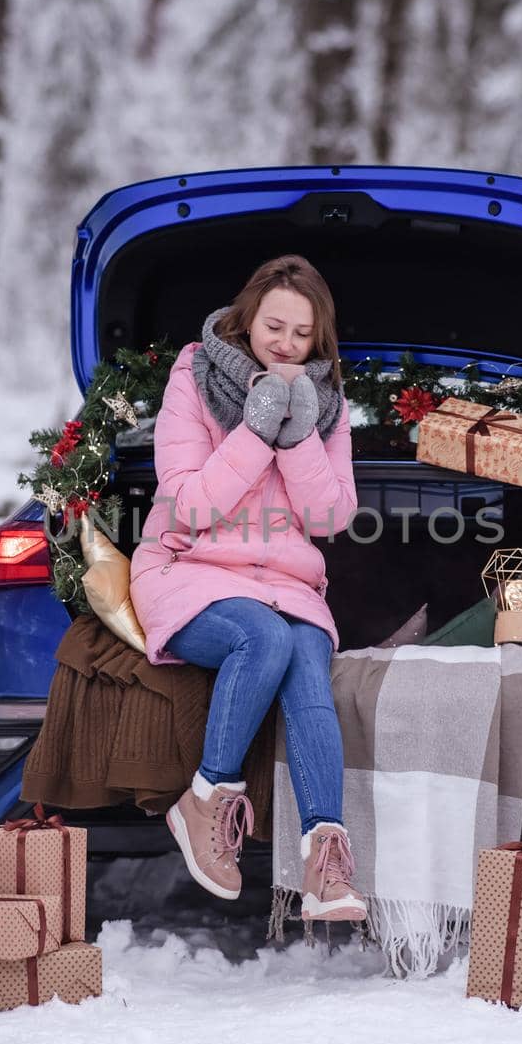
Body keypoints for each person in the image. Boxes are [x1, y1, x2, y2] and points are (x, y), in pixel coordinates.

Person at [127, 254, 365, 924]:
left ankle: (324, 858)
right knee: (260, 638)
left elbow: (329, 517)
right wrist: (257, 426)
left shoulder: (326, 404)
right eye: (274, 326)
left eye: (301, 334)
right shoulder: (195, 374)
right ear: (247, 317)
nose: (286, 343)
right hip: (189, 567)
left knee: (307, 665)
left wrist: (296, 429)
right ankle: (204, 797)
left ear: (318, 341)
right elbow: (191, 502)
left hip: (288, 583)